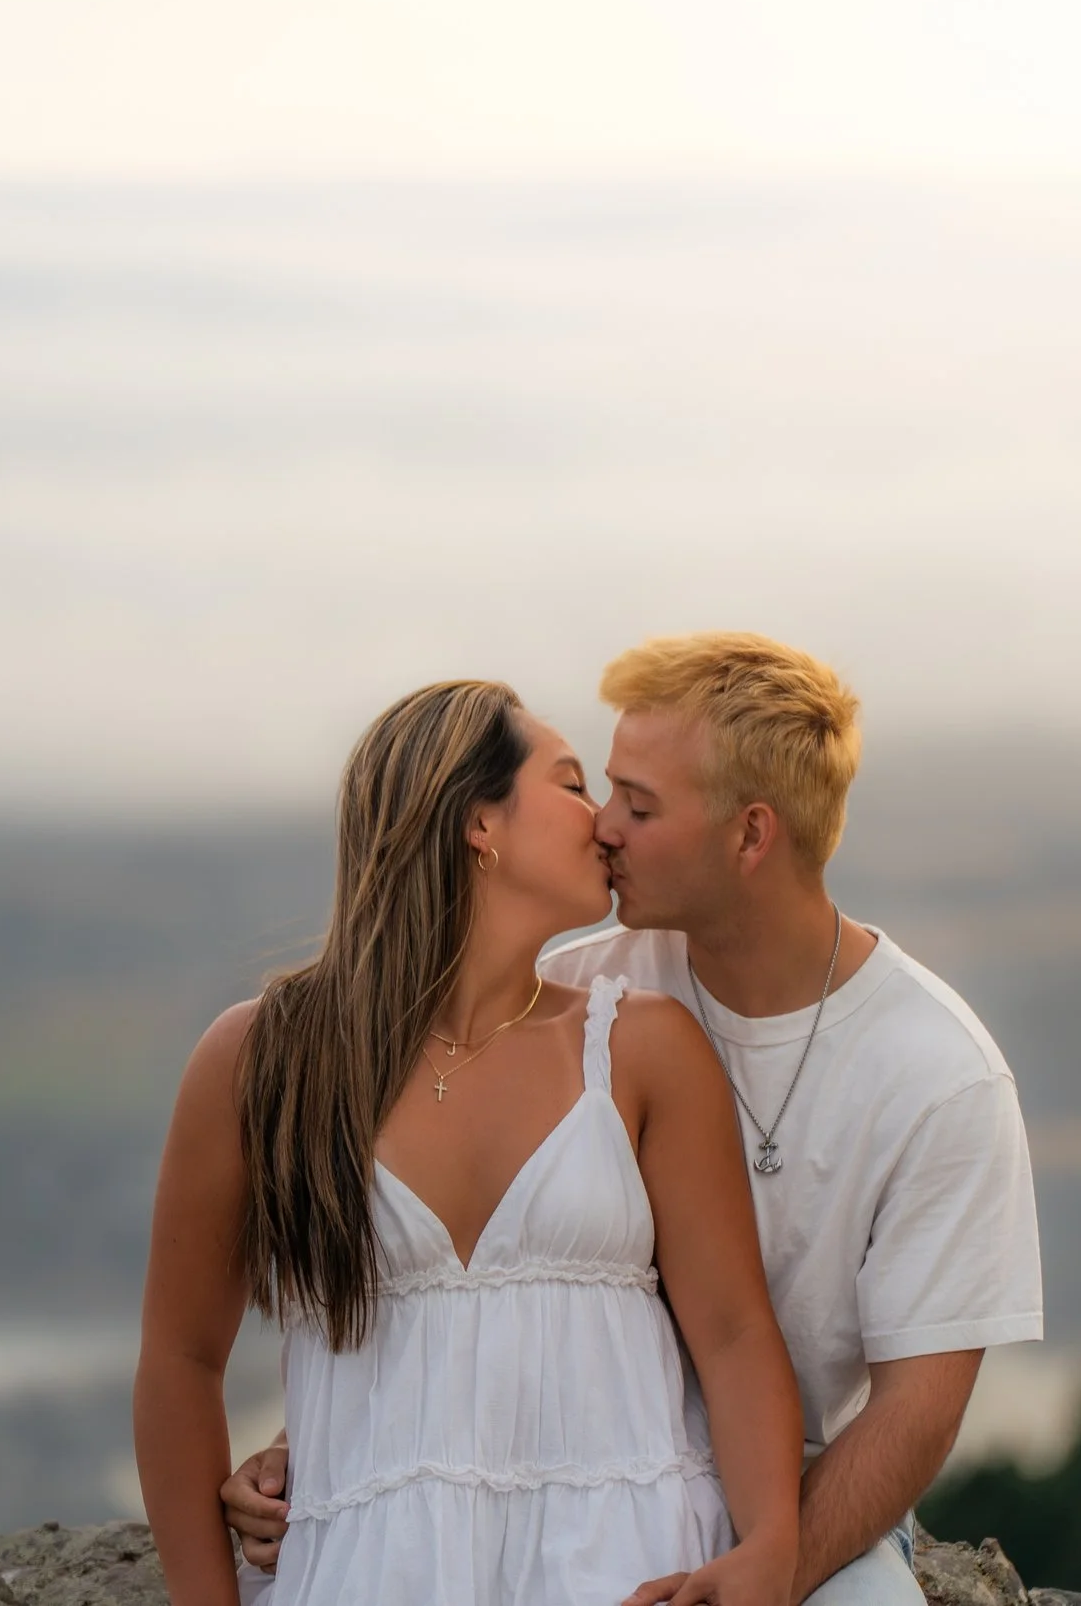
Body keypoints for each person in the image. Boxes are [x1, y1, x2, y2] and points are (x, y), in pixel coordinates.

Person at [228, 634, 1043, 1606]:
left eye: (638, 806)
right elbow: (462, 1289)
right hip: (558, 1485)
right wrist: (307, 1449)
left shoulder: (940, 1080)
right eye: (598, 789)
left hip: (794, 1499)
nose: (603, 827)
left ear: (749, 837)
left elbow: (915, 1413)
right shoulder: (569, 1001)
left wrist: (765, 1570)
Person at [135, 679, 803, 1606]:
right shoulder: (260, 1060)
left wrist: (769, 1548)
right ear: (477, 822)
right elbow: (179, 1362)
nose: (607, 824)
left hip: (627, 1563)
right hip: (368, 1574)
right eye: (573, 786)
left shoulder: (641, 1046)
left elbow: (732, 1334)